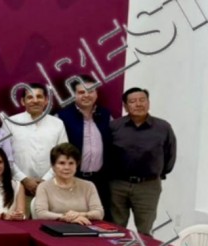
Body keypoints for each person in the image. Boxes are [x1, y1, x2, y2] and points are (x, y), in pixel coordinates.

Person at [109, 88, 176, 234]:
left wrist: (156, 174)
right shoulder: (114, 127)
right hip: (118, 185)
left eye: (142, 100)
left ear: (148, 102)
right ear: (125, 106)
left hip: (148, 186)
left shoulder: (163, 127)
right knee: (115, 228)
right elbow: (107, 154)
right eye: (133, 101)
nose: (138, 104)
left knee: (145, 230)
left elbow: (170, 155)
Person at [57, 76, 113, 221]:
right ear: (74, 95)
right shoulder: (62, 117)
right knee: (72, 219)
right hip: (73, 178)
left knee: (101, 221)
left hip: (100, 180)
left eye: (91, 91)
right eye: (81, 92)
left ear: (96, 93)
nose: (86, 95)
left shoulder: (106, 115)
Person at [5, 84, 68, 196]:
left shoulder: (57, 124)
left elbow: (63, 155)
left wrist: (46, 179)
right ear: (23, 101)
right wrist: (23, 179)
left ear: (46, 100)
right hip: (18, 187)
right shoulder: (10, 123)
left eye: (39, 97)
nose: (35, 101)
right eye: (30, 97)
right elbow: (5, 155)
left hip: (51, 186)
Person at [33, 143, 104, 224]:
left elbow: (99, 213)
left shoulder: (89, 186)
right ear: (53, 166)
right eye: (62, 163)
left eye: (71, 163)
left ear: (76, 165)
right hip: (55, 228)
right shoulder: (43, 187)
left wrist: (80, 214)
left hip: (84, 227)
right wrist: (65, 218)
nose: (67, 167)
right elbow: (41, 214)